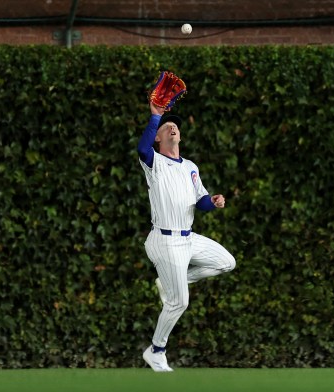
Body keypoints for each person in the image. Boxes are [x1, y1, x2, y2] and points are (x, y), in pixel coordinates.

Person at [137, 100, 236, 372]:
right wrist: (155, 117)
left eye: (175, 126)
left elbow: (200, 200)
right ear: (158, 136)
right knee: (180, 301)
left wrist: (212, 201)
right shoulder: (153, 161)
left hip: (188, 238)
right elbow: (141, 149)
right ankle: (156, 351)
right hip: (164, 240)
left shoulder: (190, 166)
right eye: (168, 126)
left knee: (226, 263)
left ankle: (169, 283)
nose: (173, 128)